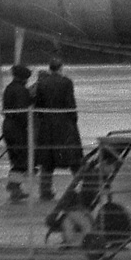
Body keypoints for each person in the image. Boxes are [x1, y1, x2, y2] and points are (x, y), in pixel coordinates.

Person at [31, 55, 83, 201]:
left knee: (47, 161)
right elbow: (70, 103)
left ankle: (45, 191)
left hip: (47, 125)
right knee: (73, 158)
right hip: (64, 124)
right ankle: (84, 187)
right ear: (61, 68)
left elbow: (38, 105)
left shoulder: (42, 83)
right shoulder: (66, 82)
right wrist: (73, 120)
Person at [1, 64, 34, 203]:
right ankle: (14, 186)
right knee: (21, 158)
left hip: (8, 126)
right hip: (17, 129)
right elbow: (22, 112)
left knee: (16, 158)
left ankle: (15, 186)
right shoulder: (21, 90)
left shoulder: (9, 88)